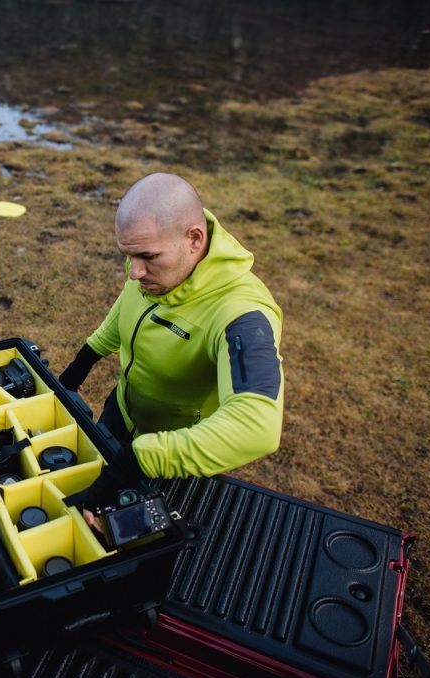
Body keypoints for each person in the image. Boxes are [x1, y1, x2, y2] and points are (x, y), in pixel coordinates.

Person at [59, 173, 284, 517]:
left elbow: (257, 427)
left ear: (194, 238)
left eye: (147, 256)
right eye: (127, 255)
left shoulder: (242, 313)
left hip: (173, 458)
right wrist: (84, 360)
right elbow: (128, 305)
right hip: (121, 412)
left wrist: (141, 458)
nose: (134, 272)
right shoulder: (150, 266)